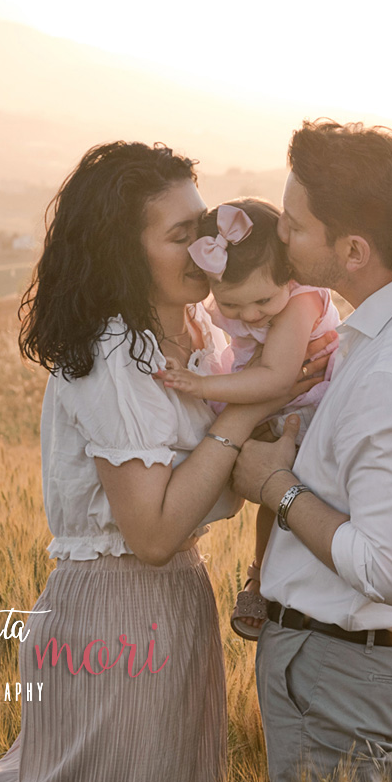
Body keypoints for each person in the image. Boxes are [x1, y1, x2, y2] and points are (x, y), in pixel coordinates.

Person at [0, 141, 331, 782]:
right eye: (180, 232)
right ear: (123, 252)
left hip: (175, 608)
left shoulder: (204, 333)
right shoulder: (112, 356)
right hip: (115, 612)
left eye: (208, 224)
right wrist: (255, 405)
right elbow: (153, 533)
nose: (209, 246)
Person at [229, 119, 392, 782]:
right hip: (341, 664)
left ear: (352, 250)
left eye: (292, 224)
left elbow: (386, 566)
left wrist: (272, 487)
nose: (278, 235)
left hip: (338, 671)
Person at [153, 197, 341, 641]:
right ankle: (265, 576)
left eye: (262, 301)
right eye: (233, 306)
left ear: (288, 276)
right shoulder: (248, 297)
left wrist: (202, 386)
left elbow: (276, 378)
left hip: (306, 406)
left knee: (285, 491)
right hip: (267, 399)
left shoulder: (300, 301)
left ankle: (260, 576)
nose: (251, 316)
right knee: (264, 487)